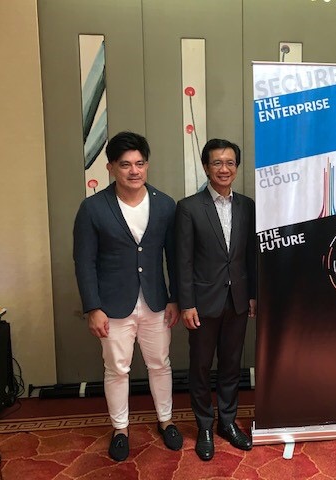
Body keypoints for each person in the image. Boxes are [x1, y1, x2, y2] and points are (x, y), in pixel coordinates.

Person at [73, 131, 182, 462]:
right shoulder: (93, 208)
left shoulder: (165, 205)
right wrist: (93, 307)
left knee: (160, 363)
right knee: (117, 369)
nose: (134, 171)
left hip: (156, 302)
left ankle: (166, 421)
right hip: (112, 306)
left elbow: (174, 257)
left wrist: (175, 298)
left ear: (147, 165)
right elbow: (84, 261)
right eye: (125, 165)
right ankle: (120, 429)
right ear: (110, 168)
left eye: (140, 163)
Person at [175, 138, 257, 461]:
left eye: (230, 163)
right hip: (202, 303)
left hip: (237, 300)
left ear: (237, 167)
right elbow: (183, 261)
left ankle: (227, 422)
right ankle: (204, 427)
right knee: (200, 366)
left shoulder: (247, 206)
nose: (224, 169)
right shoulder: (189, 208)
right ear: (206, 167)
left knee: (231, 365)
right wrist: (186, 303)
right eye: (217, 163)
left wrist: (253, 295)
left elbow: (250, 255)